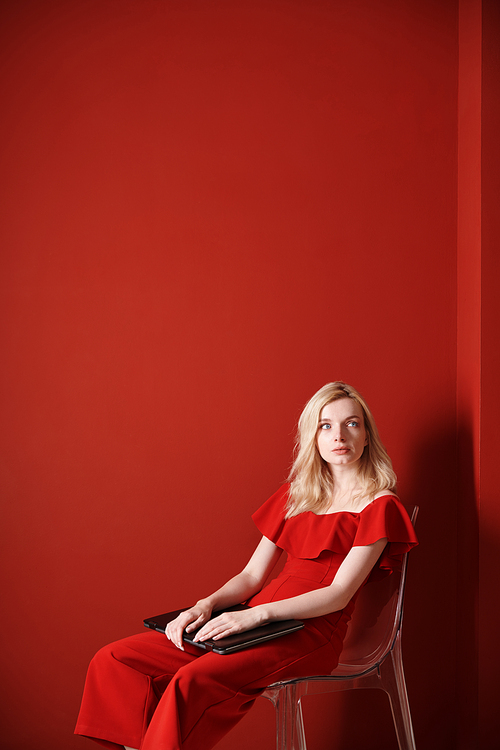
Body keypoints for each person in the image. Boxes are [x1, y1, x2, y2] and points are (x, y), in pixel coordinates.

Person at [75, 382, 418, 750]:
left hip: (309, 633)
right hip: (251, 620)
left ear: (367, 436)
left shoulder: (380, 505)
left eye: (352, 424)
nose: (339, 435)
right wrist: (204, 606)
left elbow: (338, 594)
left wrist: (257, 617)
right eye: (326, 425)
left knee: (191, 680)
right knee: (115, 660)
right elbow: (252, 576)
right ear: (313, 438)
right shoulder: (296, 495)